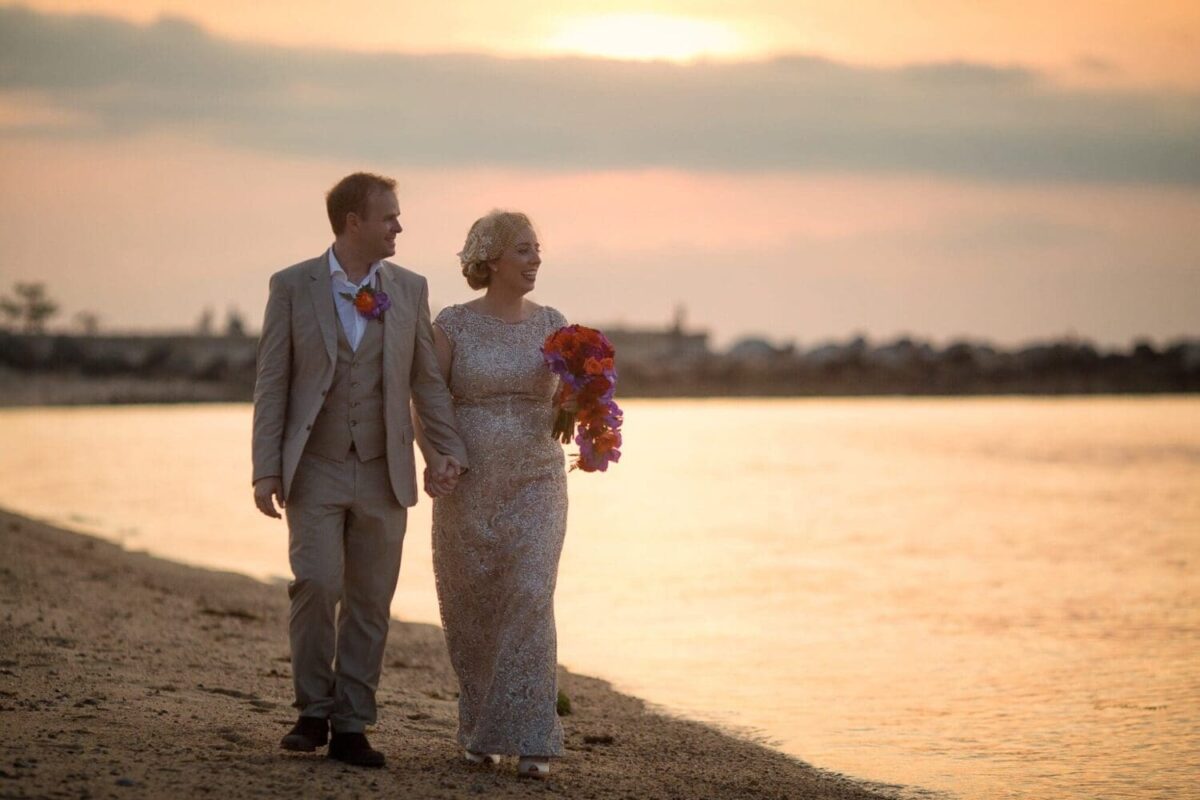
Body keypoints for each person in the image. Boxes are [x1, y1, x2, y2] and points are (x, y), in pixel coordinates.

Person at [251, 172, 468, 768]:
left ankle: (351, 725)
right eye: (389, 216)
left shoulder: (411, 287)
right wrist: (264, 469)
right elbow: (273, 381)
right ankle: (311, 711)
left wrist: (443, 453)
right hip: (314, 467)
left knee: (371, 601)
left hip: (383, 469)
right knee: (316, 585)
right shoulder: (292, 285)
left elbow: (425, 382)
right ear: (354, 222)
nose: (399, 226)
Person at [415, 210, 568, 780]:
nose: (535, 259)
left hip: (538, 477)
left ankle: (534, 737)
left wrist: (587, 405)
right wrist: (436, 459)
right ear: (493, 260)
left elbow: (567, 403)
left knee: (531, 591)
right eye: (524, 250)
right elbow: (426, 400)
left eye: (537, 249)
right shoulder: (453, 324)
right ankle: (481, 728)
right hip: (469, 480)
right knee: (474, 604)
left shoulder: (554, 322)